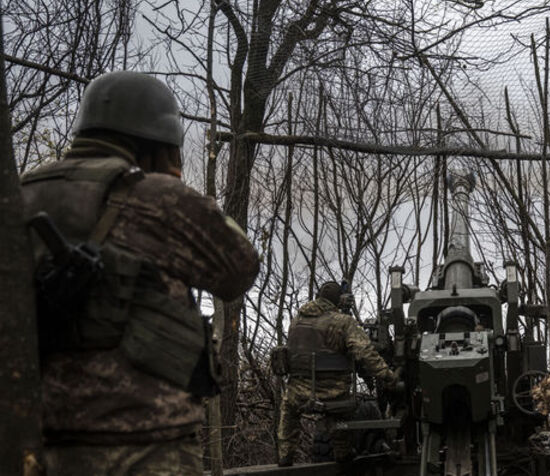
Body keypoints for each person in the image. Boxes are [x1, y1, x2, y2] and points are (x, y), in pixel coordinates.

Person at [23, 71, 260, 475]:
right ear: (156, 142)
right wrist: (179, 194)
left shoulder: (18, 195)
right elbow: (239, 269)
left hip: (33, 445)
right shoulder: (157, 197)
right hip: (143, 447)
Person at [277, 281, 401, 467]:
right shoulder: (343, 322)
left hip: (299, 393)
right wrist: (388, 376)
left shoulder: (297, 321)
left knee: (289, 410)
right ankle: (342, 453)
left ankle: (285, 455)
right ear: (338, 301)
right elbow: (365, 353)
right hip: (332, 392)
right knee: (344, 407)